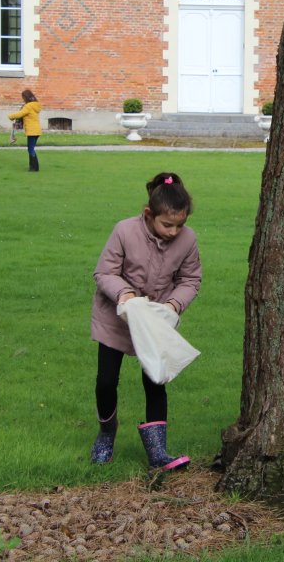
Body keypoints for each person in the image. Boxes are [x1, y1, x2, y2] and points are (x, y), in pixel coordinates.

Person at [90, 172, 201, 469]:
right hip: (115, 318)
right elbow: (104, 272)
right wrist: (124, 294)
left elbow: (190, 279)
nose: (174, 232)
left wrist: (173, 305)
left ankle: (158, 451)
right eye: (167, 224)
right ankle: (106, 433)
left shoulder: (188, 240)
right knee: (106, 381)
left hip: (156, 321)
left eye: (180, 225)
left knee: (155, 381)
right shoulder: (124, 231)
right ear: (149, 214)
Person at [7, 89, 42, 172]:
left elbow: (20, 114)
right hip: (37, 130)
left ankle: (34, 168)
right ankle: (33, 167)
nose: (23, 99)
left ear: (26, 97)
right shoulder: (36, 105)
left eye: (23, 97)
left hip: (32, 131)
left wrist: (10, 116)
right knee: (31, 148)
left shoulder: (28, 106)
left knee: (30, 149)